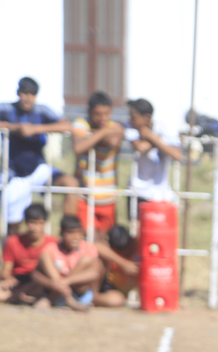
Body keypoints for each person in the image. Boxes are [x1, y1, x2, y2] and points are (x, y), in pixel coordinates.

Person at [0, 77, 76, 236]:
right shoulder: (6, 109)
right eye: (25, 92)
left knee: (70, 184)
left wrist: (36, 129)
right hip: (14, 174)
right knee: (13, 224)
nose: (28, 97)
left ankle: (69, 235)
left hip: (38, 169)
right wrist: (14, 128)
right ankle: (13, 246)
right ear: (18, 92)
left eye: (32, 94)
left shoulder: (42, 110)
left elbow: (67, 125)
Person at [70, 91, 124, 234]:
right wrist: (104, 132)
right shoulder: (81, 123)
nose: (103, 118)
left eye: (106, 113)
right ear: (89, 112)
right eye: (98, 114)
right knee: (86, 237)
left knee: (104, 238)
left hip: (108, 198)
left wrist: (90, 137)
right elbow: (78, 147)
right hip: (85, 196)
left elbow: (113, 140)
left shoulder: (116, 126)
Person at [125, 98, 183, 211]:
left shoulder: (164, 127)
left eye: (134, 117)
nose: (131, 121)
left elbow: (177, 155)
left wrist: (151, 137)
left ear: (147, 117)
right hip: (138, 191)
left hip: (160, 194)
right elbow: (140, 147)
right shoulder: (131, 128)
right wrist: (159, 140)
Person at [34, 214, 100, 311]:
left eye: (79, 232)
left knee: (86, 260)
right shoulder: (51, 248)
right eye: (70, 232)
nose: (75, 236)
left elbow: (94, 273)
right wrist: (52, 284)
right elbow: (35, 274)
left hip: (79, 293)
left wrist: (66, 281)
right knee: (45, 257)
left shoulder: (88, 248)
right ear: (61, 233)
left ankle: (51, 298)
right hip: (56, 290)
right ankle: (68, 298)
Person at [0, 203, 56, 305]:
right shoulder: (13, 241)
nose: (36, 228)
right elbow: (6, 272)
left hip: (41, 281)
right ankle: (26, 298)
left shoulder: (53, 243)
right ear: (26, 222)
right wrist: (9, 280)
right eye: (32, 223)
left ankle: (18, 297)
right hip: (18, 280)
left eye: (40, 223)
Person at [94, 224, 138, 308]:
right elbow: (96, 246)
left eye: (126, 247)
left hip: (132, 289)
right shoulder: (111, 250)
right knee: (115, 300)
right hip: (112, 288)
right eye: (121, 249)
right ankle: (93, 298)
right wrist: (123, 263)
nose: (125, 251)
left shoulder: (137, 245)